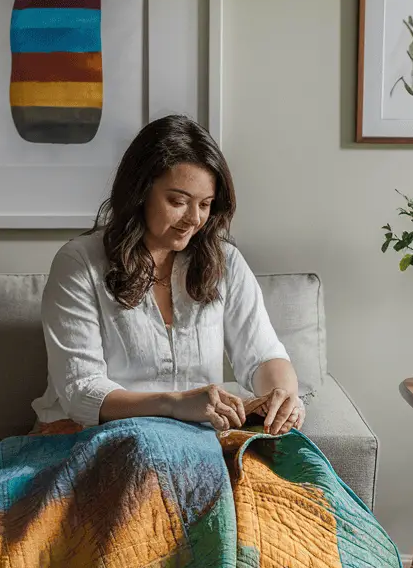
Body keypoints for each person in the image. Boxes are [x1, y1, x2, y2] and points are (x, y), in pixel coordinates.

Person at [31, 114, 306, 437]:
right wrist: (174, 404)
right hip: (86, 436)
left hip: (192, 440)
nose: (193, 219)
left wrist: (282, 395)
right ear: (140, 191)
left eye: (205, 204)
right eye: (178, 201)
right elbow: (82, 391)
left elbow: (263, 354)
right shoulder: (79, 263)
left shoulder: (225, 262)